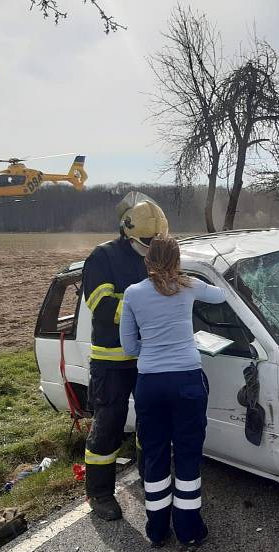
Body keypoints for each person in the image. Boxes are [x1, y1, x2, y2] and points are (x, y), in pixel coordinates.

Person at [119, 235, 226, 548]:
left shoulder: (133, 293)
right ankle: (189, 529)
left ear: (148, 260)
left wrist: (151, 352)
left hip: (150, 384)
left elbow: (128, 346)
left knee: (154, 455)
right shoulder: (188, 286)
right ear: (176, 261)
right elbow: (220, 295)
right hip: (187, 380)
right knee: (189, 453)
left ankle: (157, 530)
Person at [81, 191, 168, 521]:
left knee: (150, 422)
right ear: (128, 232)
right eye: (147, 241)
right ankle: (100, 493)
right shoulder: (102, 257)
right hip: (111, 361)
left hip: (147, 358)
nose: (152, 248)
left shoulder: (154, 255)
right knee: (108, 426)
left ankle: (151, 480)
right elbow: (100, 308)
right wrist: (143, 310)